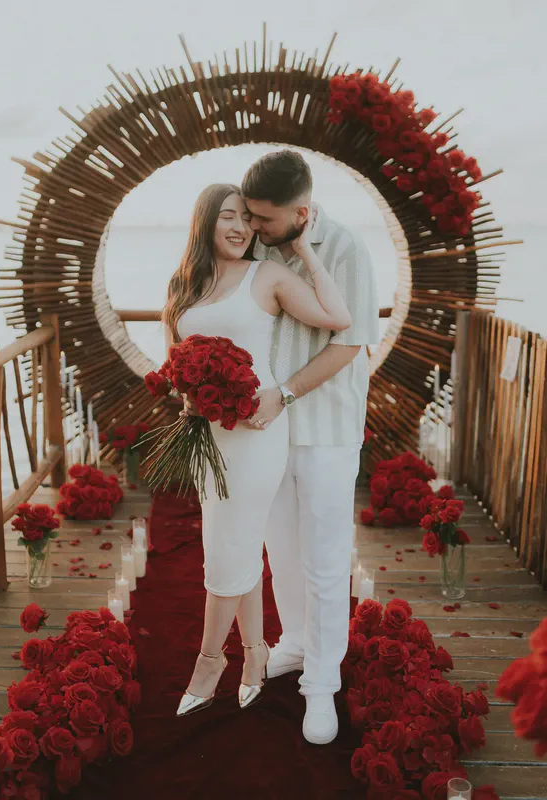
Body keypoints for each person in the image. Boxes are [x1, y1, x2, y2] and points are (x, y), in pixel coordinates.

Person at [162, 182, 351, 717]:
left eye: (247, 218)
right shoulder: (186, 283)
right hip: (207, 435)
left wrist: (306, 252)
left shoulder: (267, 275)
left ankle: (207, 661)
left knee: (228, 547)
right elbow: (175, 356)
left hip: (257, 432)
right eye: (228, 216)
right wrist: (187, 394)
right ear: (205, 223)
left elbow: (337, 319)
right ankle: (252, 654)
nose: (240, 227)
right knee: (232, 543)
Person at [241, 150, 379, 745]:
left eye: (265, 220)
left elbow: (351, 343)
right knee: (281, 547)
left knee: (325, 560)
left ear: (301, 210)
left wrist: (286, 393)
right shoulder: (254, 245)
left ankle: (321, 685)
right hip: (266, 432)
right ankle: (295, 642)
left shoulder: (346, 248)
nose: (254, 228)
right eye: (249, 216)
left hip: (325, 427)